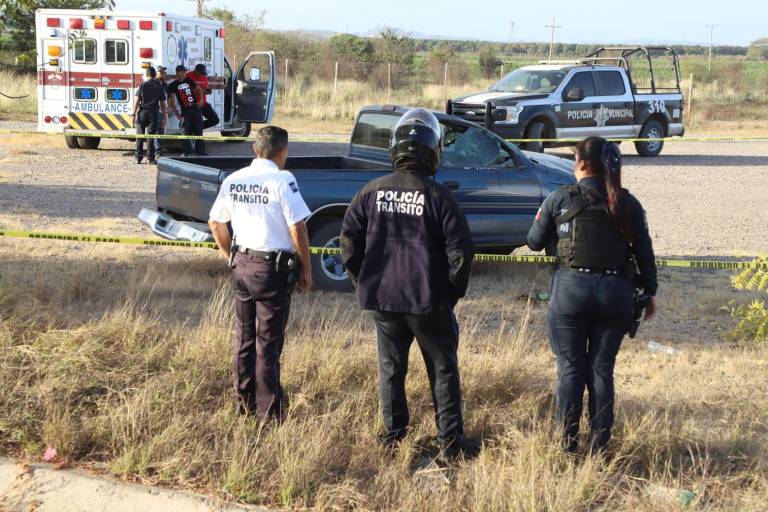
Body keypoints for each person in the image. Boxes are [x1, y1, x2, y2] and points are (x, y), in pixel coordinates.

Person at [340, 109, 475, 461]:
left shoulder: (369, 193)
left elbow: (348, 244)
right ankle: (450, 443)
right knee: (443, 369)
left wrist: (363, 281)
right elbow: (461, 253)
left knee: (391, 369)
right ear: (434, 150)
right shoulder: (440, 198)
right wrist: (450, 294)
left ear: (394, 147)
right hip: (429, 302)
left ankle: (393, 435)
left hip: (382, 301)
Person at [527, 136, 658, 455]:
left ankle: (566, 445)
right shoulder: (628, 203)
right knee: (601, 369)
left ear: (582, 164)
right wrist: (651, 292)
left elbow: (533, 241)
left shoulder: (559, 199)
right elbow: (645, 254)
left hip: (571, 291)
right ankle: (600, 446)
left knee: (571, 368)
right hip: (616, 294)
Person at [208, 126, 313, 422]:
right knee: (267, 342)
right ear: (283, 153)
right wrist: (307, 268)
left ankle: (244, 402)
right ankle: (268, 413)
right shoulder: (283, 179)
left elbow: (216, 223)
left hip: (241, 265)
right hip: (271, 271)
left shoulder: (234, 179)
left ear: (255, 150)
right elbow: (298, 227)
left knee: (243, 338)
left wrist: (230, 256)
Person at [132, 66, 168, 165]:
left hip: (142, 112)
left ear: (147, 75)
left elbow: (137, 100)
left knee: (139, 135)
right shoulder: (159, 86)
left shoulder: (142, 85)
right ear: (154, 74)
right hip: (154, 114)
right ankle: (150, 159)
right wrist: (165, 118)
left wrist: (133, 114)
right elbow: (163, 104)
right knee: (151, 136)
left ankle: (138, 158)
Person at [168, 65, 205, 156]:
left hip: (195, 108)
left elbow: (199, 89)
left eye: (185, 72)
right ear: (178, 72)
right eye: (183, 72)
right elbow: (172, 100)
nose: (185, 73)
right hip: (185, 111)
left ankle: (199, 151)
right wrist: (177, 113)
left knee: (199, 130)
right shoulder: (173, 85)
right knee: (184, 131)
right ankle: (186, 151)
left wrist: (201, 100)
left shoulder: (189, 80)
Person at [187, 64, 220, 130]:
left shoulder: (204, 77)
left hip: (203, 103)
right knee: (197, 121)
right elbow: (187, 90)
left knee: (215, 120)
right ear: (196, 70)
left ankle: (194, 128)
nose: (202, 75)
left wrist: (208, 91)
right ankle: (195, 129)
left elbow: (205, 88)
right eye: (201, 73)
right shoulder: (188, 76)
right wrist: (201, 91)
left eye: (203, 73)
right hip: (193, 104)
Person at [153, 66, 170, 157]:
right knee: (157, 131)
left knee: (161, 131)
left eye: (164, 72)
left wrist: (168, 109)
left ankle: (159, 150)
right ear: (156, 73)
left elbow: (168, 97)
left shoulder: (164, 84)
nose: (164, 73)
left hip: (162, 110)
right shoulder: (153, 83)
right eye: (161, 72)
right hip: (155, 110)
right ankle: (157, 152)